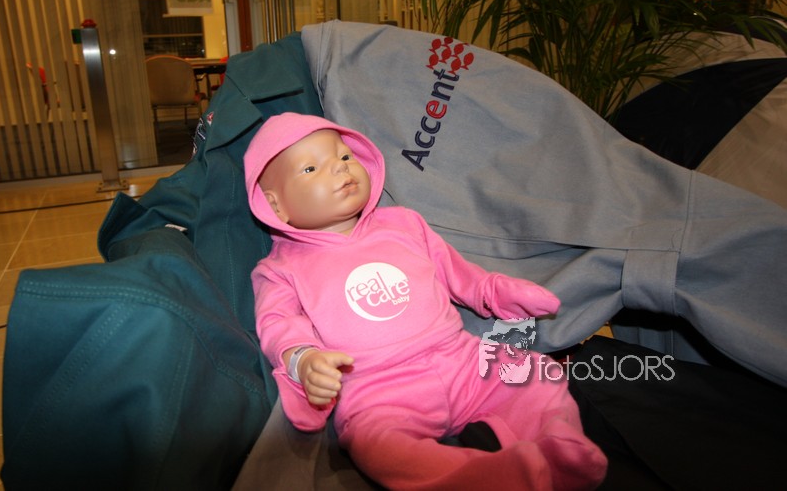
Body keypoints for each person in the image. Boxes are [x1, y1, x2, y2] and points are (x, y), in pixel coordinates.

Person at [243, 112, 608, 490]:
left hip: (462, 359)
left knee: (536, 374)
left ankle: (561, 450)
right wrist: (303, 360)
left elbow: (457, 272)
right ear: (275, 205)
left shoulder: (403, 224)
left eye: (345, 156)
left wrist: (497, 291)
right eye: (311, 168)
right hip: (377, 390)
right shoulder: (281, 269)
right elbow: (278, 323)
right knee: (378, 448)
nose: (339, 167)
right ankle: (494, 477)